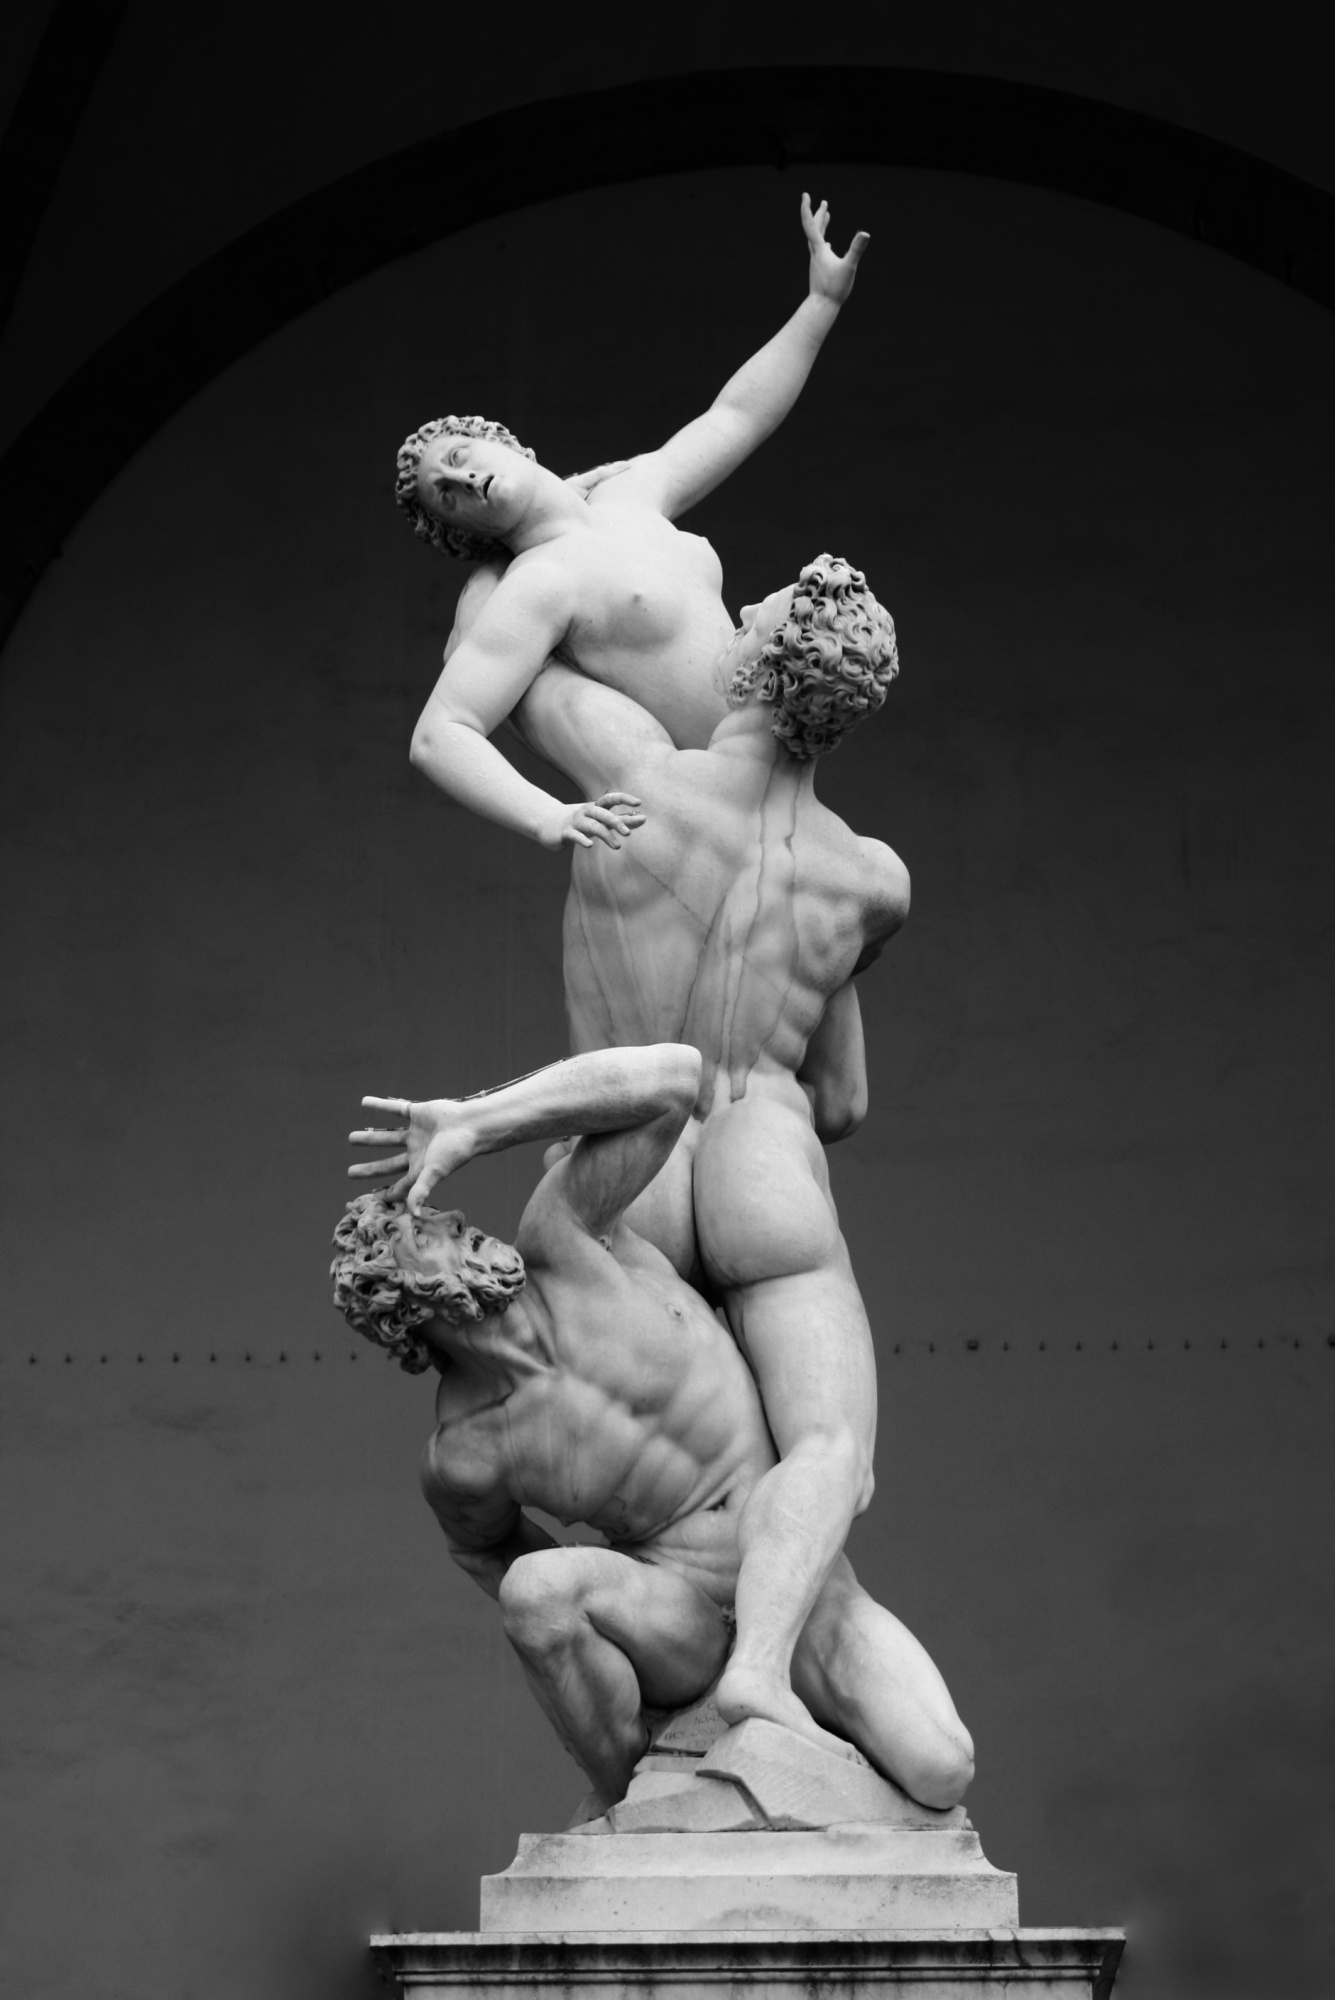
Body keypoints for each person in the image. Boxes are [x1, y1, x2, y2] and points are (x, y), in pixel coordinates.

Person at [492, 555, 908, 1759]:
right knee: (824, 1445)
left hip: (627, 1162)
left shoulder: (630, 779)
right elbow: (845, 1098)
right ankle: (760, 1670)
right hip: (764, 1151)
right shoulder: (871, 878)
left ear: (745, 662)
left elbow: (514, 661)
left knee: (661, 1468)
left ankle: (651, 1679)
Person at [333, 1043, 972, 1815]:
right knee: (534, 1594)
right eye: (425, 1233)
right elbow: (482, 1551)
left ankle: (761, 1680)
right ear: (401, 1300)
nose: (454, 1223)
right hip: (679, 1615)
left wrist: (477, 1123)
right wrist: (603, 1635)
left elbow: (673, 1077)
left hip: (805, 1585)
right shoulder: (466, 1451)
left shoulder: (564, 1241)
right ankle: (627, 1797)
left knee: (941, 1766)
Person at [396, 194, 869, 853]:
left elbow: (736, 417)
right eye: (446, 497)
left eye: (457, 459)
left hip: (787, 784)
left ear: (498, 439)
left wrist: (820, 303)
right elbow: (440, 731)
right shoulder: (540, 581)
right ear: (460, 531)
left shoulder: (632, 491)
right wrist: (547, 816)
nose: (463, 481)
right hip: (708, 808)